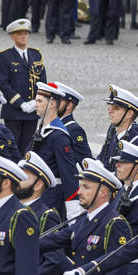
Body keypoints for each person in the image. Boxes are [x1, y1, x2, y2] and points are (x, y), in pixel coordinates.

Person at [0, 18, 47, 154]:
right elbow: (3, 83)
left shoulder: (36, 55)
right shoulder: (5, 56)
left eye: (26, 33)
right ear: (12, 36)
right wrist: (21, 103)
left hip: (32, 110)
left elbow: (43, 82)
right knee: (13, 146)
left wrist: (36, 102)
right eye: (19, 34)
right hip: (14, 111)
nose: (24, 36)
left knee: (28, 147)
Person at [31, 82, 79, 218]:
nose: (35, 104)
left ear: (52, 104)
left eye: (39, 101)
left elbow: (69, 176)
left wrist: (72, 211)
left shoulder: (59, 136)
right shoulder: (42, 129)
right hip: (37, 197)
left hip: (51, 201)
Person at [55, 82, 92, 164]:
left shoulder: (74, 131)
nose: (53, 104)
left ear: (69, 106)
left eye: (58, 101)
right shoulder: (52, 124)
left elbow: (86, 162)